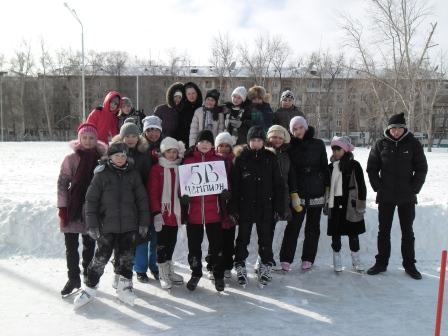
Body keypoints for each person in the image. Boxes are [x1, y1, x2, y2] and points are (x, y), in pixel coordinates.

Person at [73, 142, 150, 309]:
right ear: (110, 157)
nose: (120, 159)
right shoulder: (101, 175)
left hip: (129, 226)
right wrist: (92, 225)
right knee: (100, 259)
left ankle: (124, 288)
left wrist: (144, 222)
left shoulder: (133, 174)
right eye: (117, 156)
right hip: (106, 226)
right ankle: (89, 288)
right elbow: (91, 201)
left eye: (123, 155)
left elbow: (142, 200)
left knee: (127, 259)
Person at [366, 112, 428, 279]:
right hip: (386, 196)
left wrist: (414, 188)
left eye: (399, 128)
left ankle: (409, 265)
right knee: (383, 230)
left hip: (406, 196)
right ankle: (381, 263)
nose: (396, 131)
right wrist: (378, 187)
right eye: (393, 128)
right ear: (389, 129)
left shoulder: (413, 144)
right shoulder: (380, 144)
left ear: (404, 128)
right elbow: (372, 168)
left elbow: (421, 168)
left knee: (407, 231)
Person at [57, 123, 107, 297]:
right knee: (71, 247)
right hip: (73, 208)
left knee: (89, 245)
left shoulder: (102, 159)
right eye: (84, 137)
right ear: (79, 139)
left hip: (92, 209)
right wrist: (62, 208)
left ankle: (87, 276)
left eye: (91, 138)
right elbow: (62, 184)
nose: (87, 141)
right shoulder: (71, 159)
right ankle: (73, 278)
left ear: (96, 139)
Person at [231, 126, 284, 287]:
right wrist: (233, 209)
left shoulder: (270, 158)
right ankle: (240, 264)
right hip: (245, 205)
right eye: (253, 140)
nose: (256, 143)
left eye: (259, 140)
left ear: (263, 142)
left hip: (265, 206)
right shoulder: (240, 158)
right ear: (248, 141)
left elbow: (278, 185)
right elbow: (234, 186)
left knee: (265, 238)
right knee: (243, 238)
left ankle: (266, 265)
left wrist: (279, 207)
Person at [279, 116, 329, 271]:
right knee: (293, 226)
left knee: (313, 227)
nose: (298, 131)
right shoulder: (290, 147)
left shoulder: (318, 144)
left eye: (300, 127)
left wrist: (327, 188)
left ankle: (308, 258)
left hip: (317, 189)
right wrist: (292, 193)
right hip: (298, 190)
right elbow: (290, 170)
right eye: (294, 129)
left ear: (306, 127)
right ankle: (286, 259)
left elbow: (324, 166)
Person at [181, 130, 227, 292]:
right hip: (193, 213)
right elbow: (182, 185)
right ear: (197, 143)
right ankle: (195, 273)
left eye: (208, 142)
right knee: (194, 246)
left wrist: (225, 194)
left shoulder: (218, 161)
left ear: (212, 144)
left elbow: (226, 183)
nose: (205, 144)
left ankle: (218, 273)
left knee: (216, 246)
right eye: (202, 141)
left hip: (214, 212)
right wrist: (183, 197)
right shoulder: (187, 162)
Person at [111, 121, 157, 284]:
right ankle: (122, 270)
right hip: (120, 202)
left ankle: (142, 268)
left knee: (143, 235)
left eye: (133, 136)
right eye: (127, 136)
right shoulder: (115, 152)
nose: (130, 139)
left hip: (140, 200)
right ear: (121, 137)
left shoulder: (144, 153)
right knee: (122, 237)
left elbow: (148, 178)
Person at [148, 137, 186, 289]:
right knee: (161, 244)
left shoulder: (179, 168)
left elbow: (183, 189)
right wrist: (156, 212)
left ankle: (169, 269)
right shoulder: (157, 169)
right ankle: (162, 273)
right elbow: (153, 192)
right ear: (163, 153)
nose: (171, 154)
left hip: (175, 213)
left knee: (172, 242)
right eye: (168, 151)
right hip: (163, 214)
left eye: (174, 151)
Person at [325, 136, 366, 272]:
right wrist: (326, 202)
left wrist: (361, 202)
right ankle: (336, 259)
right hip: (335, 205)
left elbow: (361, 185)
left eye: (339, 149)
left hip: (350, 205)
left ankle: (356, 259)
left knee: (353, 234)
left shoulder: (355, 165)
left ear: (346, 149)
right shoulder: (330, 167)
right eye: (333, 149)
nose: (336, 152)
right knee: (336, 234)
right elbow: (327, 186)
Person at [262, 124, 294, 273]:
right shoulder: (263, 152)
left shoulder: (287, 155)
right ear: (269, 137)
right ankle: (262, 258)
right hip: (265, 196)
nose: (276, 140)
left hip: (280, 196)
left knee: (271, 228)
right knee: (265, 229)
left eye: (280, 137)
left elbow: (290, 177)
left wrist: (291, 195)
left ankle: (266, 258)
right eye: (274, 137)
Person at [205, 132, 236, 280]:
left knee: (229, 238)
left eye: (227, 146)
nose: (224, 148)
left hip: (230, 205)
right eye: (221, 145)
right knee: (215, 239)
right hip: (215, 205)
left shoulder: (235, 161)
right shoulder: (212, 161)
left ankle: (228, 266)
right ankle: (212, 265)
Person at [177, 82, 202, 146]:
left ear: (197, 94)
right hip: (184, 142)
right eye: (189, 94)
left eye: (193, 93)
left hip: (199, 142)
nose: (191, 96)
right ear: (185, 95)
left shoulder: (202, 108)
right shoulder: (181, 109)